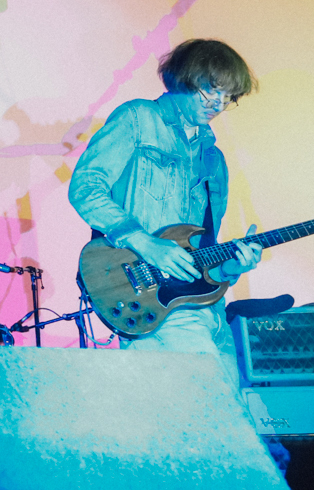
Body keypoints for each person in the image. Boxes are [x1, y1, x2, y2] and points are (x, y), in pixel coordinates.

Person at [67, 38, 262, 376]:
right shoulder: (139, 118)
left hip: (202, 308)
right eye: (209, 90)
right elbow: (86, 187)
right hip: (146, 290)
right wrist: (145, 243)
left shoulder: (214, 161)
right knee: (211, 402)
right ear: (186, 78)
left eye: (228, 97)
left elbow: (204, 250)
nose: (218, 103)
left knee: (214, 404)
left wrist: (231, 269)